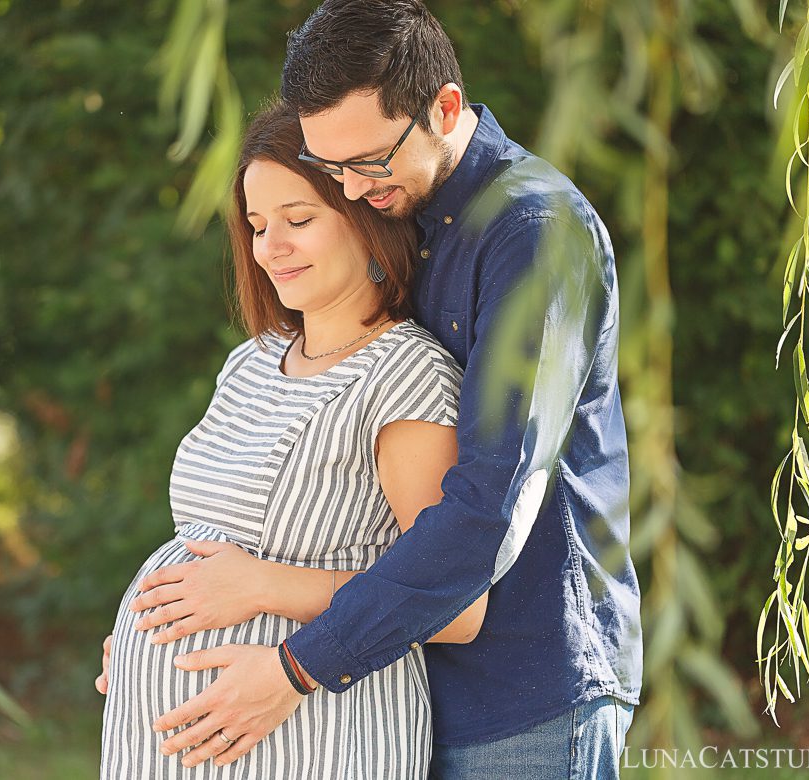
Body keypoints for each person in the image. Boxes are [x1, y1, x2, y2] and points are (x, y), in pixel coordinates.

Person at [103, 2, 644, 778]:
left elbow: (489, 501)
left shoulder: (534, 233)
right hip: (405, 682)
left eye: (368, 162)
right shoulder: (407, 209)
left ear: (445, 108)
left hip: (525, 689)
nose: (352, 191)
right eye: (332, 170)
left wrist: (299, 666)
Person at [98, 98, 487, 779]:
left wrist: (263, 587)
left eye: (298, 220)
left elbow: (454, 605)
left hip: (314, 733)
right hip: (167, 744)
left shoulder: (407, 376)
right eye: (256, 226)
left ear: (365, 219)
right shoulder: (249, 362)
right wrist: (144, 629)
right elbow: (207, 546)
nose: (269, 247)